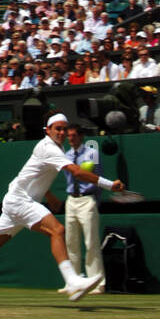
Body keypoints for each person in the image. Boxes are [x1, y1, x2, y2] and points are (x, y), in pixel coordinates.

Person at [0, 112, 125, 301]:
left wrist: (48, 195)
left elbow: (34, 176)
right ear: (47, 130)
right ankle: (72, 282)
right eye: (58, 129)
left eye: (65, 129)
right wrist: (109, 185)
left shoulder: (54, 149)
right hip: (20, 200)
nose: (62, 133)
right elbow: (76, 171)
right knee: (57, 230)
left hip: (15, 199)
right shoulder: (49, 147)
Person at [60, 122, 105, 294]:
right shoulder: (66, 155)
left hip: (87, 200)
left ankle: (98, 282)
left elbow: (97, 178)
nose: (70, 138)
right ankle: (73, 281)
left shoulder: (92, 154)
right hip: (71, 200)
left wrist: (96, 201)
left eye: (73, 135)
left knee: (91, 242)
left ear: (81, 136)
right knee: (71, 242)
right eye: (68, 136)